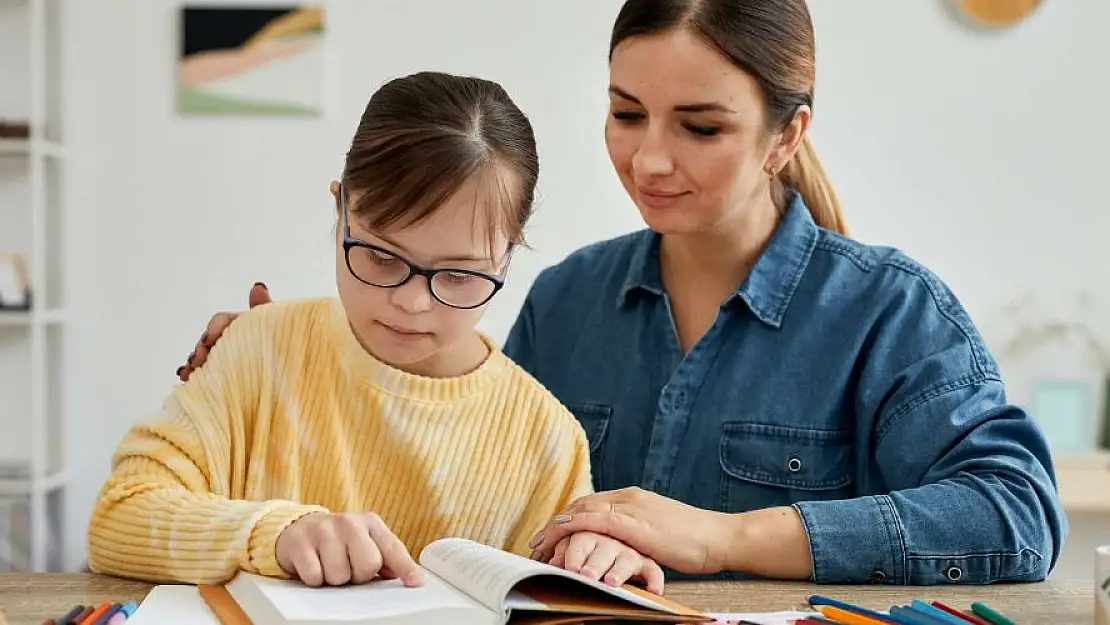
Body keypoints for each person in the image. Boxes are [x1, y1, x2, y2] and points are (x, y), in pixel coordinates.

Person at [179, 0, 1068, 586]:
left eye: (701, 125)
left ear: (785, 133)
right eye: (627, 111)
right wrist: (288, 364)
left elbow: (1017, 514)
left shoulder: (890, 312)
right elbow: (450, 473)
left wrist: (723, 536)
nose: (648, 159)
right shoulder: (566, 301)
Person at [88, 70, 665, 594]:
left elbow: (557, 595)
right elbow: (118, 519)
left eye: (460, 274)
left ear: (508, 255)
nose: (412, 302)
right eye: (382, 257)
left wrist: (600, 561)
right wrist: (276, 533)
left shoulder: (544, 439)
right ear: (340, 209)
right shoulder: (258, 352)